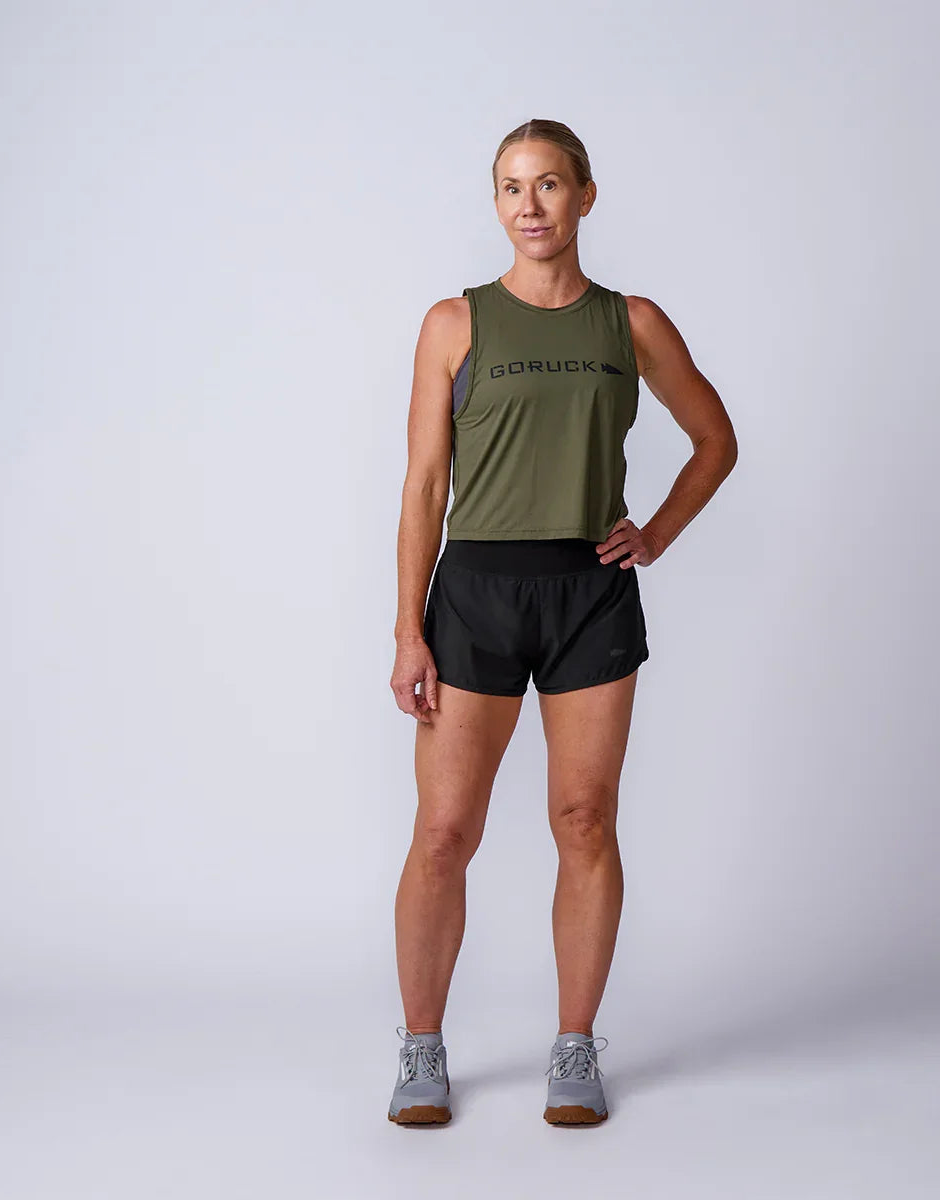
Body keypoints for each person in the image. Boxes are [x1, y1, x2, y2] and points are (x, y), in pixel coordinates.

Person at [387, 118, 737, 1126]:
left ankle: (574, 1047)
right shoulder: (456, 324)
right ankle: (421, 1046)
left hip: (589, 594)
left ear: (586, 196)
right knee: (445, 830)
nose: (529, 206)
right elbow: (422, 487)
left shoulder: (630, 325)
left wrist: (657, 533)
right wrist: (409, 631)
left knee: (583, 822)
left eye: (548, 185)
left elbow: (714, 439)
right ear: (495, 204)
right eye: (510, 187)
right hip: (476, 596)